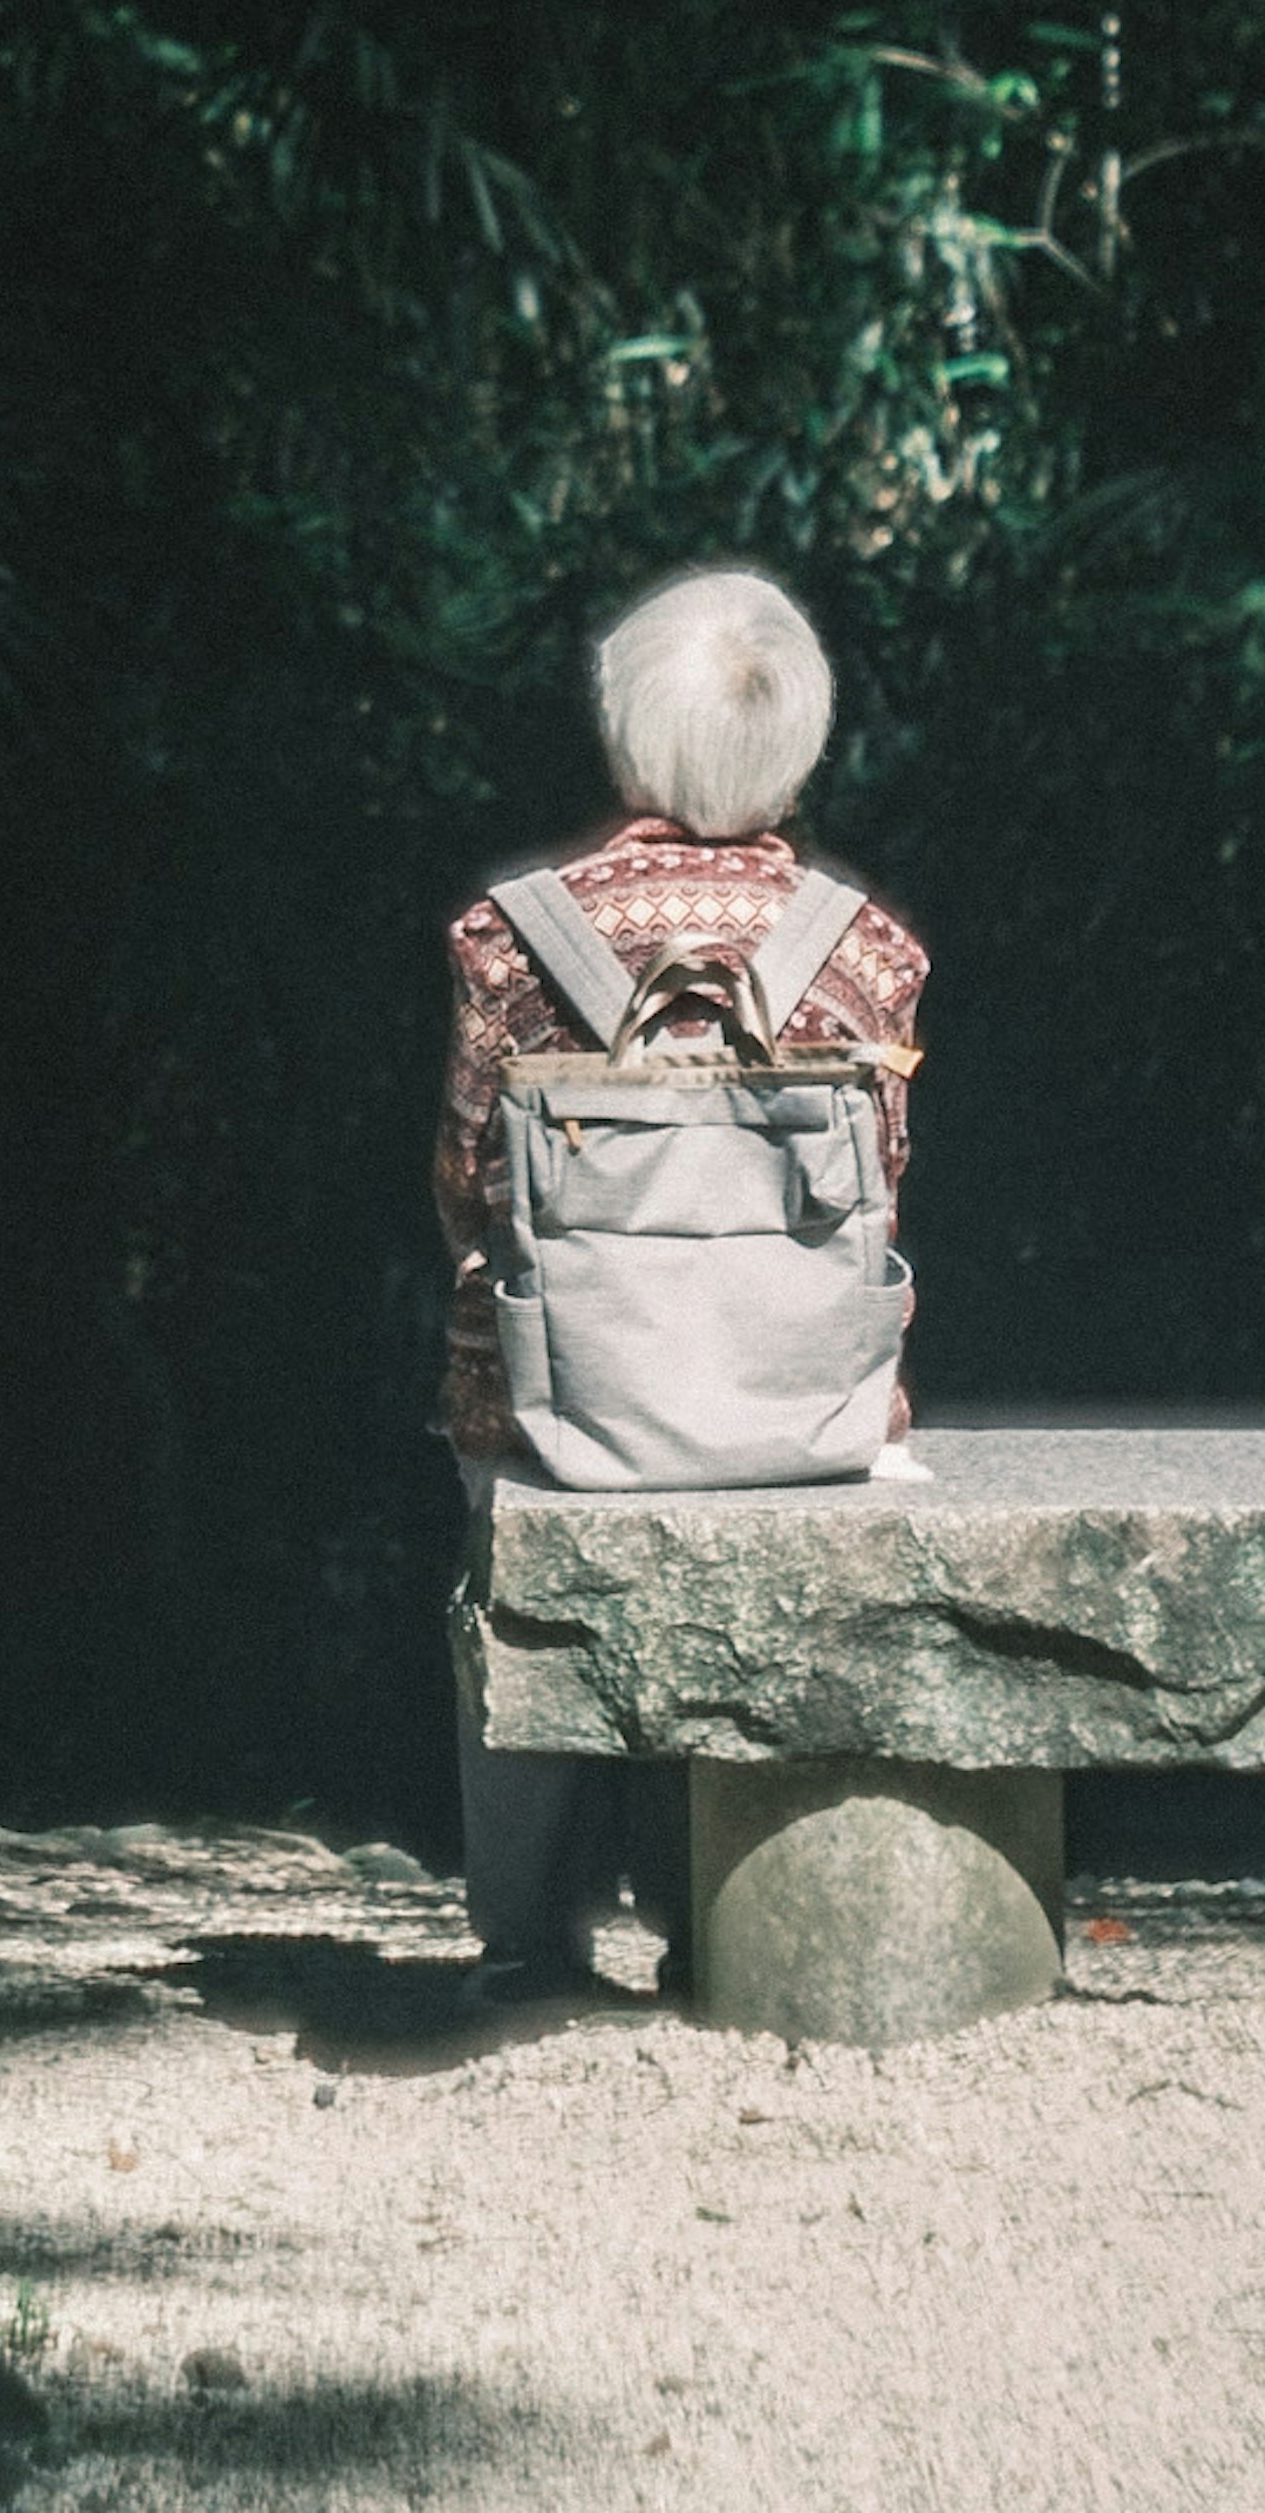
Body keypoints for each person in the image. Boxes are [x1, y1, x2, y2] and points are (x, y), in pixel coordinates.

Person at [431, 564, 930, 2006]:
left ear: (627, 733)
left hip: (552, 1406)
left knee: (501, 1562)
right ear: (803, 739)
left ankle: (527, 1937)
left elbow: (472, 1184)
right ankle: (725, 1914)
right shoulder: (869, 954)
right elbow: (884, 1184)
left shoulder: (509, 936)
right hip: (804, 1410)